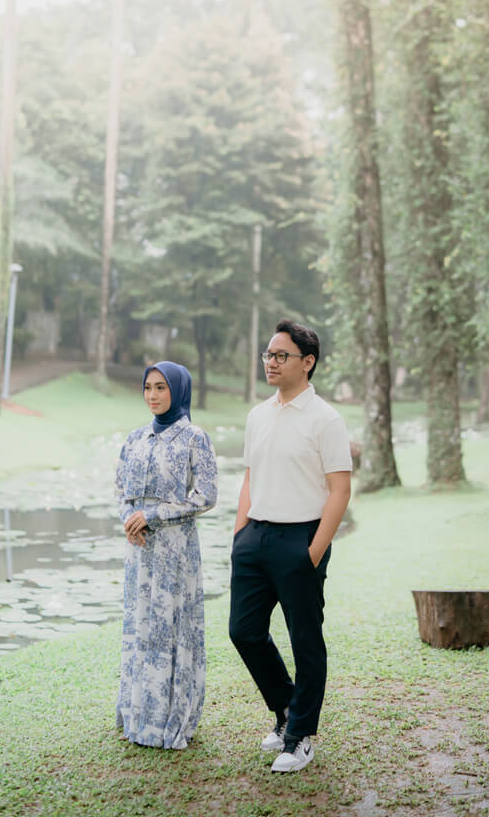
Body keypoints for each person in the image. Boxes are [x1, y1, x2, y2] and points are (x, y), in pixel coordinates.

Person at [229, 320, 352, 773]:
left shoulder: (325, 419)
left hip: (301, 539)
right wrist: (239, 536)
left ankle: (299, 736)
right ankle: (285, 711)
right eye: (268, 354)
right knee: (243, 631)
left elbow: (340, 490)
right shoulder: (258, 415)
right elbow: (250, 477)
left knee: (305, 641)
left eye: (281, 355)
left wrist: (313, 552)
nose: (271, 362)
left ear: (308, 362)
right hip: (255, 537)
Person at [116, 361, 218, 750]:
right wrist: (131, 521)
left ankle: (169, 720)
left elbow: (206, 496)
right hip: (139, 550)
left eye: (161, 387)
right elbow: (121, 490)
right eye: (148, 387)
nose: (153, 395)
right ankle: (137, 716)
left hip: (175, 549)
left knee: (170, 627)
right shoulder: (135, 439)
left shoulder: (195, 438)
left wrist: (153, 516)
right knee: (140, 624)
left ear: (178, 390)